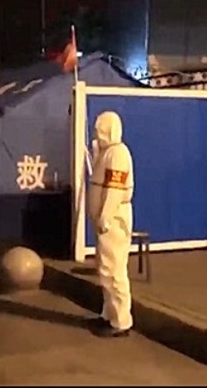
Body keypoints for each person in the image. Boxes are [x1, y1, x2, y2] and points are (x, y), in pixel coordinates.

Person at [86, 111, 134, 338]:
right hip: (106, 220)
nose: (97, 132)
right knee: (105, 269)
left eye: (100, 128)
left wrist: (105, 216)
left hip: (113, 220)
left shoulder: (117, 154)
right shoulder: (107, 153)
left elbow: (114, 190)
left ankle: (121, 321)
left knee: (113, 271)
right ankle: (109, 314)